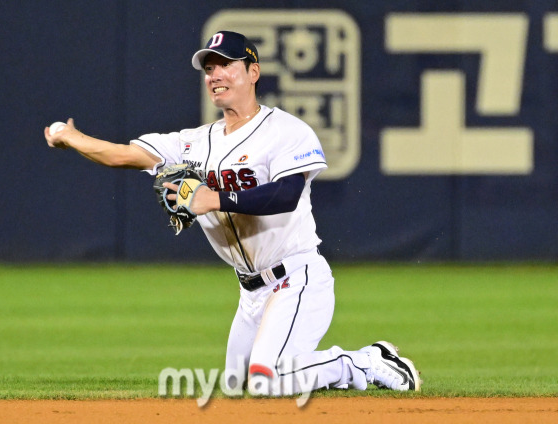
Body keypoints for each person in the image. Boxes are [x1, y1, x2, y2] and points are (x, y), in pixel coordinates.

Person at [45, 30, 420, 395]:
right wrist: (70, 137)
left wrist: (216, 199)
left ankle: (365, 361)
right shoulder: (192, 142)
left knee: (266, 379)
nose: (215, 75)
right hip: (250, 291)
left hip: (297, 277)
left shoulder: (287, 131)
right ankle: (304, 368)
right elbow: (122, 155)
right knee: (236, 387)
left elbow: (287, 194)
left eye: (226, 65)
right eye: (209, 68)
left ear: (252, 72)